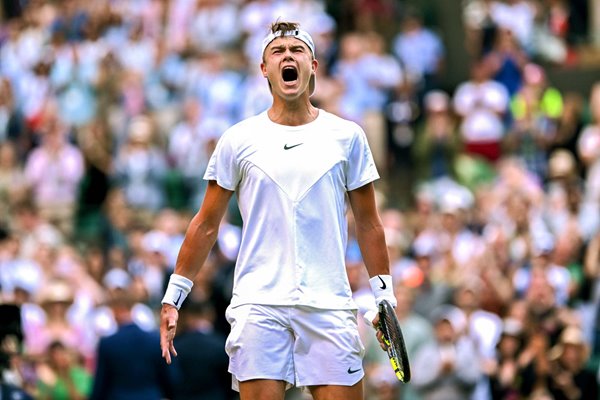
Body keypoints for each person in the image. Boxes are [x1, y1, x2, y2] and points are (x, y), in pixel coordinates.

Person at [160, 20, 396, 400]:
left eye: (298, 50)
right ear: (264, 70)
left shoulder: (348, 136)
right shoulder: (237, 139)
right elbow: (206, 224)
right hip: (259, 304)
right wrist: (174, 295)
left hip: (329, 303)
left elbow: (369, 224)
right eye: (278, 51)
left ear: (313, 67)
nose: (289, 56)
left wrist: (385, 295)